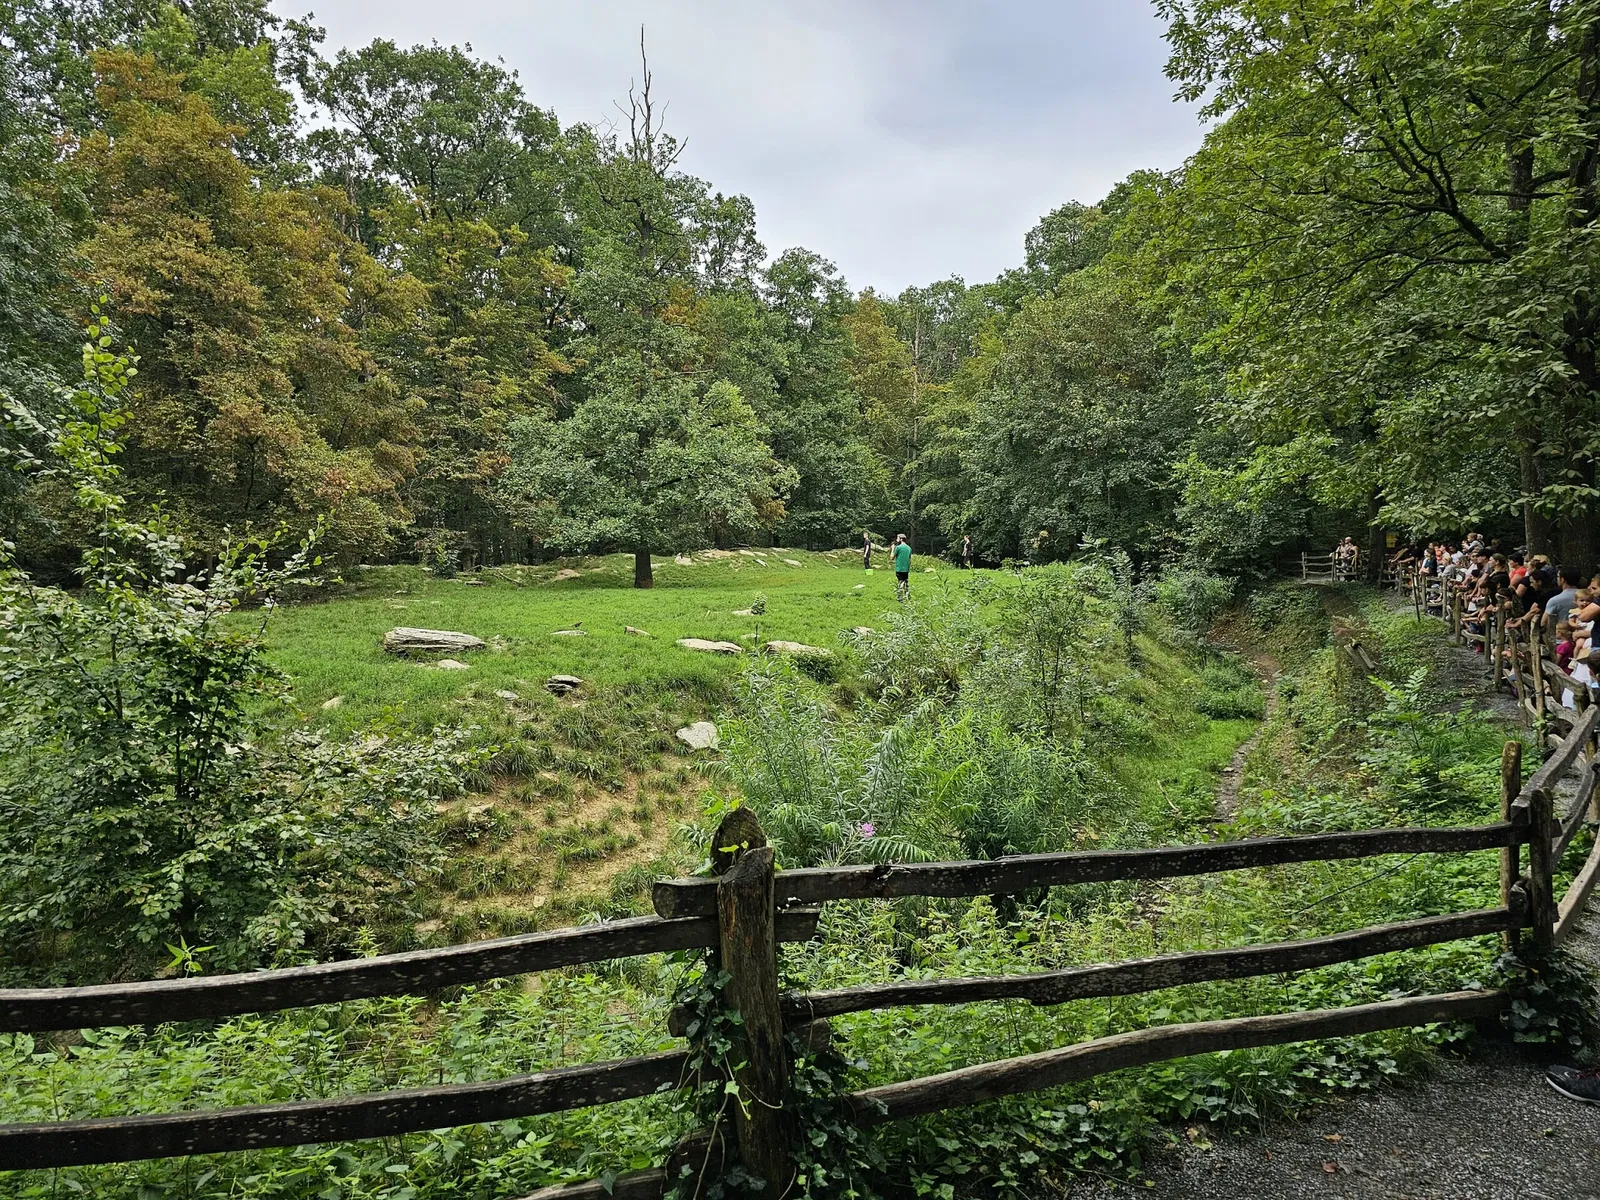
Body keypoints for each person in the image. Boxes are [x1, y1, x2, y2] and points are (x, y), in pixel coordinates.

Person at [892, 533, 912, 601]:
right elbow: (909, 559)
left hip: (899, 568)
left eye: (897, 538)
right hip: (906, 569)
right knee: (905, 582)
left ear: (901, 539)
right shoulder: (909, 548)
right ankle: (908, 596)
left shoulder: (898, 547)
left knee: (900, 582)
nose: (896, 540)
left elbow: (891, 557)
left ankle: (900, 598)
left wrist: (892, 549)